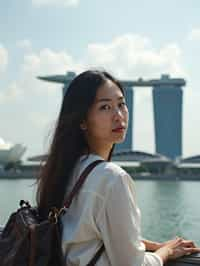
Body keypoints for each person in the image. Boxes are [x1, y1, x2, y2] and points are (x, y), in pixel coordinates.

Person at [37, 70, 200, 266]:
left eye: (122, 104)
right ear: (82, 120)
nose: (119, 115)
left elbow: (83, 237)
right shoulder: (111, 178)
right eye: (105, 107)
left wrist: (151, 245)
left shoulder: (63, 169)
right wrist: (166, 252)